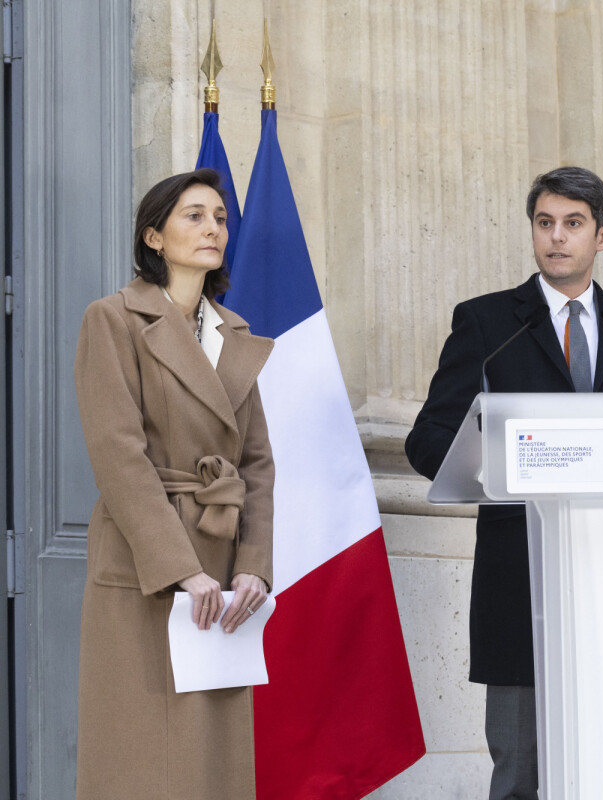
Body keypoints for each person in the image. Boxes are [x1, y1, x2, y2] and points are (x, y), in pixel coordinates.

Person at [405, 166, 603, 799]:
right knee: (522, 771)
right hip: (519, 580)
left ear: (602, 236)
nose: (556, 238)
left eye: (573, 224)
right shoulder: (487, 322)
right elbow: (427, 441)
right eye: (545, 223)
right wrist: (501, 464)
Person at [73, 169, 274, 799]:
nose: (213, 227)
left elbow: (258, 466)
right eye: (194, 215)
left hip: (222, 563)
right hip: (147, 563)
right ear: (153, 236)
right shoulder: (112, 319)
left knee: (209, 757)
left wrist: (253, 568)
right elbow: (118, 454)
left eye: (219, 216)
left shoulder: (233, 334)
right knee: (138, 752)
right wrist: (181, 570)